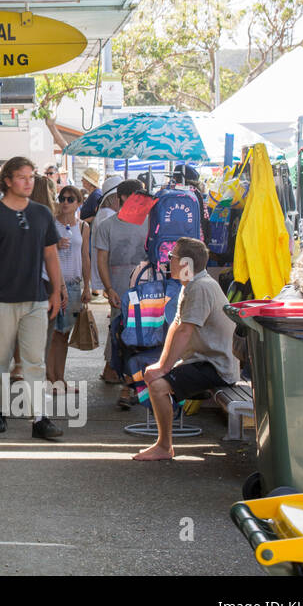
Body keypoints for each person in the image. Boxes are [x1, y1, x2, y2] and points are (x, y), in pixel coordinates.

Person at [0, 156, 65, 440]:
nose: (29, 182)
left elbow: (51, 253)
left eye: (32, 176)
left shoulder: (42, 213)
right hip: (0, 300)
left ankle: (39, 418)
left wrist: (57, 291)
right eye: (22, 177)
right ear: (7, 180)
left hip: (35, 299)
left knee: (35, 361)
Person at [133, 238, 240, 461]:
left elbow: (185, 332)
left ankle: (164, 446)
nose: (168, 260)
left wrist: (163, 369)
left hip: (216, 367)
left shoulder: (200, 287)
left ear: (186, 264)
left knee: (158, 385)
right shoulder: (191, 284)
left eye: (172, 257)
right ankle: (164, 443)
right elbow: (176, 326)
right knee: (155, 375)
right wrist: (162, 365)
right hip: (204, 360)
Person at [95, 179, 151, 405]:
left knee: (146, 336)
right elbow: (102, 259)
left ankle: (135, 384)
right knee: (122, 336)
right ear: (122, 198)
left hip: (148, 290)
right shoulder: (107, 225)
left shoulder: (151, 221)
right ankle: (128, 383)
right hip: (120, 288)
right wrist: (108, 288)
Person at [48, 185, 91, 392]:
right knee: (53, 333)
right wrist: (55, 245)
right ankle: (51, 378)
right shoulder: (51, 224)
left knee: (64, 334)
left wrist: (87, 286)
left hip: (73, 284)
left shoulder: (83, 227)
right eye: (62, 198)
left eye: (70, 199)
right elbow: (43, 252)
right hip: (53, 284)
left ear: (78, 203)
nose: (65, 202)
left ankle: (60, 377)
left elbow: (85, 257)